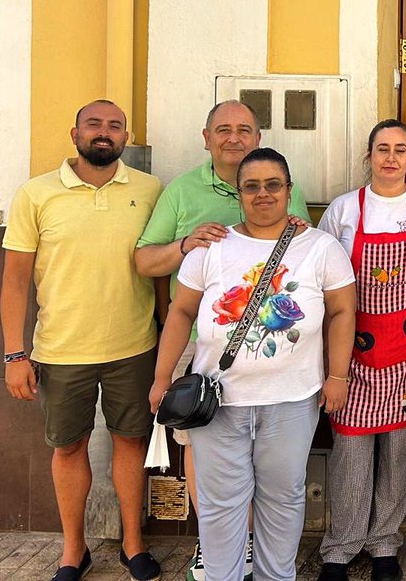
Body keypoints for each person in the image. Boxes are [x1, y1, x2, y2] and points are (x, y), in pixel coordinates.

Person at [149, 148, 356, 581]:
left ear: (289, 191)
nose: (263, 194)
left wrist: (337, 375)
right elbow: (182, 312)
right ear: (238, 193)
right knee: (222, 501)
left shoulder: (321, 248)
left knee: (283, 499)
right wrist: (161, 377)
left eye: (273, 185)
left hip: (292, 402)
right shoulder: (213, 247)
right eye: (252, 186)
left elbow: (342, 312)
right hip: (219, 403)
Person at [134, 99, 311, 581]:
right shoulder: (181, 190)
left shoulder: (277, 184)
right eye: (224, 129)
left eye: (244, 130)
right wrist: (186, 243)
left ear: (257, 137)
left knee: (268, 469)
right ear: (206, 136)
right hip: (197, 343)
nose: (234, 137)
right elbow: (145, 262)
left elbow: (300, 246)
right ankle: (212, 548)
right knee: (199, 448)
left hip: (267, 349)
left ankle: (249, 544)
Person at [0, 100, 164, 581]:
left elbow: (156, 269)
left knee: (130, 443)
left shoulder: (149, 190)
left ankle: (133, 545)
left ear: (125, 138)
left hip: (134, 347)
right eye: (94, 124)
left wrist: (162, 334)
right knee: (69, 448)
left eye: (115, 126)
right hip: (61, 350)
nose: (104, 133)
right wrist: (14, 354)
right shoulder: (36, 194)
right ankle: (74, 550)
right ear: (74, 134)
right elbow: (14, 281)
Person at [316, 120, 406, 581]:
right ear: (369, 156)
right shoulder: (344, 210)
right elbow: (320, 278)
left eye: (400, 149)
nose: (391, 158)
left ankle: (384, 545)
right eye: (383, 149)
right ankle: (339, 549)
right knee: (350, 455)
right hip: (352, 359)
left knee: (400, 454)